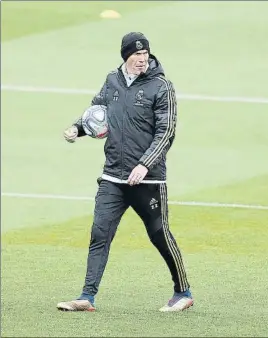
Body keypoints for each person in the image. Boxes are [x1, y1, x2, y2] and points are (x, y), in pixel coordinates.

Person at [57, 32, 193, 312]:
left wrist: (145, 164)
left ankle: (183, 292)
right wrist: (77, 129)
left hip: (149, 179)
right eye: (136, 56)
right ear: (126, 57)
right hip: (113, 177)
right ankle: (87, 296)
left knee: (159, 234)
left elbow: (166, 132)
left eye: (145, 56)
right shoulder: (112, 81)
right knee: (100, 232)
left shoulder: (162, 87)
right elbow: (96, 113)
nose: (142, 61)